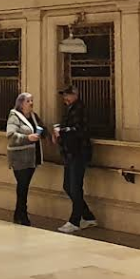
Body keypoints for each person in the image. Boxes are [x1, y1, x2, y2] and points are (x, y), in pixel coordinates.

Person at [54, 85, 97, 233]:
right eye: (64, 95)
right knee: (68, 186)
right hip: (70, 153)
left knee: (75, 187)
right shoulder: (71, 108)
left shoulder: (80, 109)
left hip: (78, 153)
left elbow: (80, 130)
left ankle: (75, 221)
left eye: (68, 95)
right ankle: (88, 216)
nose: (65, 98)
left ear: (75, 95)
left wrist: (62, 131)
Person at [6, 92, 50, 226]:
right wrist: (27, 138)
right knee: (22, 185)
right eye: (28, 101)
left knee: (24, 186)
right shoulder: (14, 117)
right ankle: (22, 214)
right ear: (21, 103)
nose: (31, 103)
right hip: (19, 158)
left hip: (32, 157)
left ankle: (19, 213)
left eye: (32, 100)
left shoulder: (33, 116)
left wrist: (48, 135)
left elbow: (41, 128)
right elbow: (11, 135)